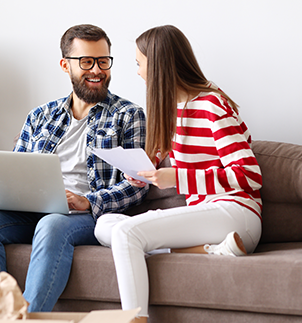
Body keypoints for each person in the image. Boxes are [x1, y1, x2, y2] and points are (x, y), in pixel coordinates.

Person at [0, 24, 148, 312]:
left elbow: (137, 185)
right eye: (86, 61)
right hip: (33, 211)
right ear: (65, 65)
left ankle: (31, 318)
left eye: (103, 61)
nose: (97, 70)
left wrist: (88, 201)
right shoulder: (41, 115)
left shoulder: (128, 115)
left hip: (84, 216)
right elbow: (16, 168)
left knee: (52, 223)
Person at [94, 25, 262, 322]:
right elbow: (164, 156)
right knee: (104, 224)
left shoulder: (212, 105)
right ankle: (206, 251)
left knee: (126, 233)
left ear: (157, 65)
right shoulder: (173, 108)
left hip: (235, 213)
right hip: (205, 221)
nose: (137, 72)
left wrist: (179, 177)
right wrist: (145, 169)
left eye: (139, 63)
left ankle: (134, 319)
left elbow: (248, 176)